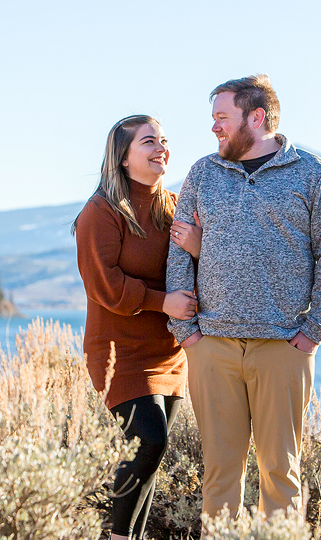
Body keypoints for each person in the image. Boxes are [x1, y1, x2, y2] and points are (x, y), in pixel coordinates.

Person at [166, 75, 321, 520]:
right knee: (219, 474)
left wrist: (313, 332)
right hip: (214, 348)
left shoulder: (313, 174)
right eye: (213, 119)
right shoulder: (203, 173)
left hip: (283, 348)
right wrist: (187, 333)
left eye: (222, 118)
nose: (214, 128)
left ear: (257, 117)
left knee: (280, 473)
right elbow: (178, 251)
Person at [74, 114, 203, 540]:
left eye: (164, 140)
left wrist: (199, 247)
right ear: (123, 158)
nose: (161, 147)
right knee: (151, 441)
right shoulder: (101, 212)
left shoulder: (175, 205)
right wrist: (162, 301)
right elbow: (104, 286)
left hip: (168, 352)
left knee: (152, 455)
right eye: (149, 142)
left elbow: (204, 266)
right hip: (119, 353)